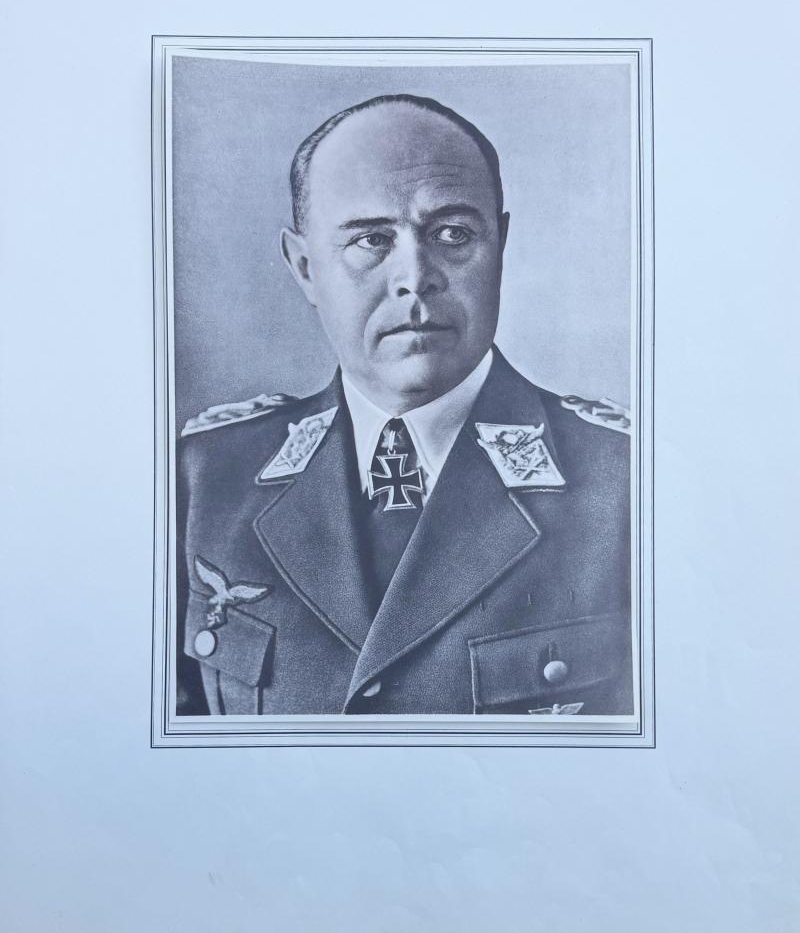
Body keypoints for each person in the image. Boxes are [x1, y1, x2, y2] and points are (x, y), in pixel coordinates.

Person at [176, 94, 633, 717]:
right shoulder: (203, 480)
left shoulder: (626, 482)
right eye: (371, 239)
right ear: (305, 268)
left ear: (500, 244)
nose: (416, 277)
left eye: (453, 234)